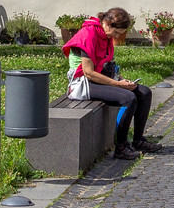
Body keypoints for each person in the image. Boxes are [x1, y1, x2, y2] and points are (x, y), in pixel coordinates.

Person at [61, 8, 159, 159]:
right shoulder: (88, 35)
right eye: (116, 32)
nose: (117, 37)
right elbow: (88, 72)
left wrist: (121, 81)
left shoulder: (104, 36)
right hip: (81, 84)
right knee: (128, 98)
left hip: (96, 80)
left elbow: (106, 66)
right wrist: (117, 84)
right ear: (107, 24)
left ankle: (138, 140)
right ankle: (121, 146)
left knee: (144, 93)